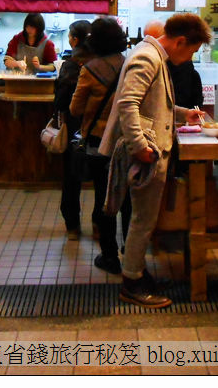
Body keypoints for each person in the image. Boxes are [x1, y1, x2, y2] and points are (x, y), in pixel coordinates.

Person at [99, 12, 210, 308]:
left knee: (143, 218)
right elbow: (128, 103)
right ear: (180, 41)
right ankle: (132, 283)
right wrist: (139, 145)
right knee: (142, 219)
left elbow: (152, 103)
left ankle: (137, 273)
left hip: (150, 147)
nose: (189, 58)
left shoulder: (150, 53)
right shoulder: (149, 57)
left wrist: (182, 113)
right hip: (146, 150)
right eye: (191, 51)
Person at [70, 17, 130, 274]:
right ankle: (131, 249)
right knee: (127, 198)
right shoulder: (130, 65)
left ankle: (109, 256)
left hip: (98, 142)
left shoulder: (89, 69)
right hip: (127, 140)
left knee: (104, 198)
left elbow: (75, 108)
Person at [53, 19, 93, 238]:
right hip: (100, 130)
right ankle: (100, 227)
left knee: (71, 177)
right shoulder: (101, 62)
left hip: (75, 128)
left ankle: (73, 227)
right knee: (102, 178)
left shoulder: (70, 64)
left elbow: (60, 101)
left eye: (70, 35)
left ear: (75, 39)